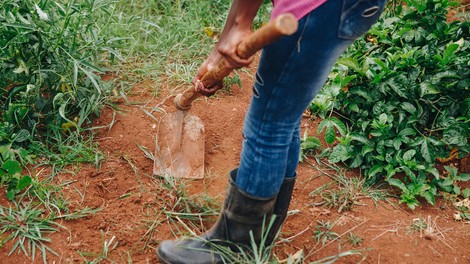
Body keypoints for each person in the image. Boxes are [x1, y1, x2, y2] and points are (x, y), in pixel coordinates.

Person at [157, 0, 386, 263]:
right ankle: (261, 234)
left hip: (314, 8)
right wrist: (218, 54)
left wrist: (242, 23)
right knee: (283, 114)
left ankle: (234, 247)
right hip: (352, 7)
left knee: (268, 123)